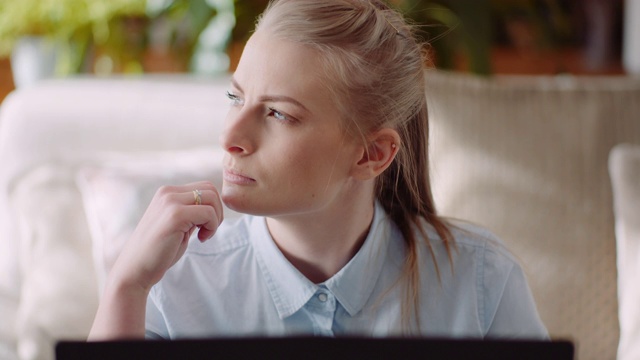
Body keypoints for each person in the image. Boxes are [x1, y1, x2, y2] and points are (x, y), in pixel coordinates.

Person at [89, 0, 547, 340]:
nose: (231, 137)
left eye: (279, 115)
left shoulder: (481, 281)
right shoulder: (174, 285)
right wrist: (125, 287)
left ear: (372, 155)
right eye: (236, 98)